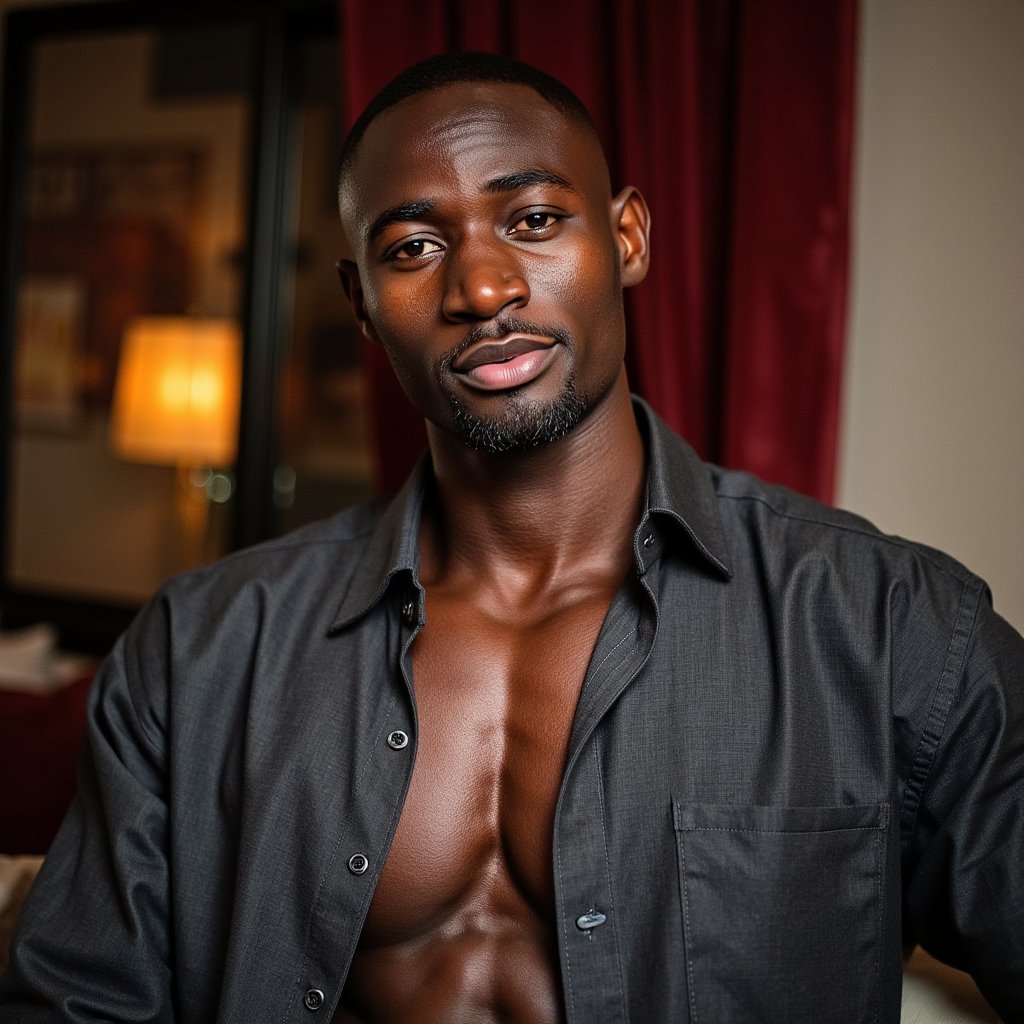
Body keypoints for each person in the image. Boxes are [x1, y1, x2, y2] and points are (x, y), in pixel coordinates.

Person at [1, 51, 1022, 1024]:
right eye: (413, 247)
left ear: (625, 238)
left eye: (532, 218)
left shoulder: (889, 629)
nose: (481, 290)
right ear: (361, 302)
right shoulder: (200, 650)